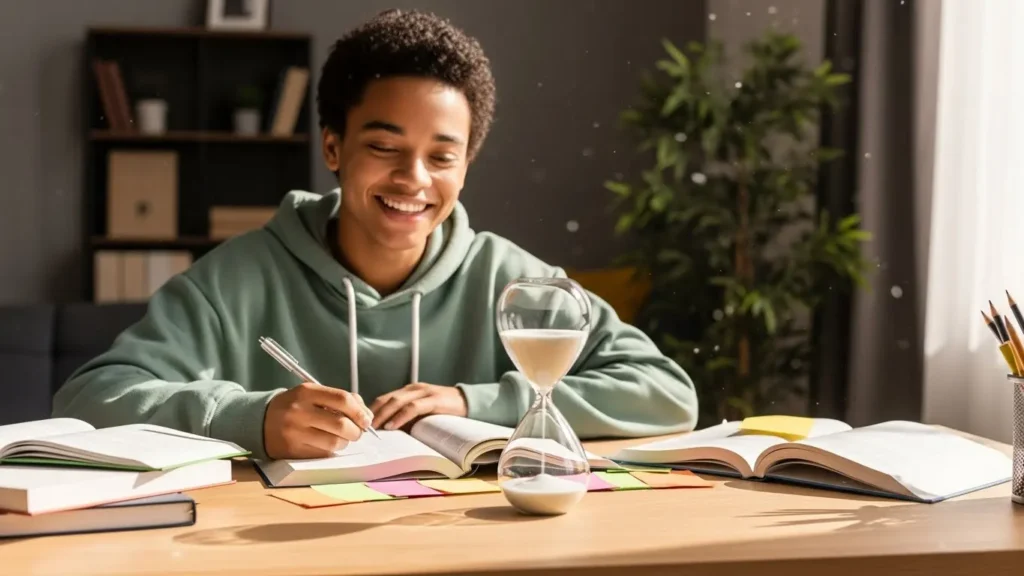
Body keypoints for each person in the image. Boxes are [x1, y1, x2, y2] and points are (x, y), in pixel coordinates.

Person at [52, 9, 698, 461]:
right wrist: (253, 417)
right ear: (333, 147)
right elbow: (88, 397)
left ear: (466, 164)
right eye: (385, 147)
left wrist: (472, 401)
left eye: (442, 158)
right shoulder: (238, 277)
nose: (413, 180)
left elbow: (666, 394)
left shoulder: (515, 282)